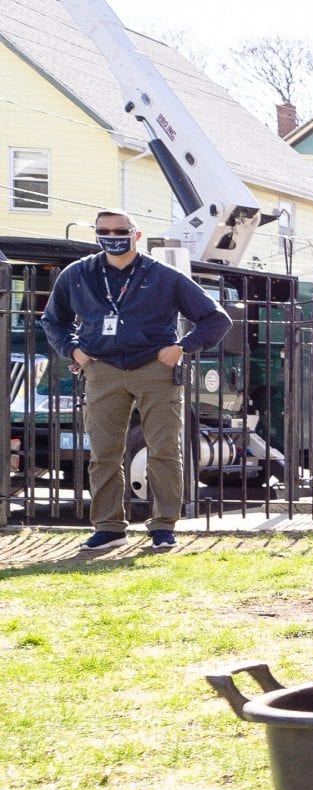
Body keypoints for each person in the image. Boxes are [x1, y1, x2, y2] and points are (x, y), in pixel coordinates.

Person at [41, 210, 230, 551]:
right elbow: (53, 320)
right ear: (96, 234)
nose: (112, 236)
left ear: (136, 234)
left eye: (120, 230)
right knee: (103, 453)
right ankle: (109, 527)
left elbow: (216, 319)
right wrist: (72, 351)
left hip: (154, 370)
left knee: (164, 449)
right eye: (104, 231)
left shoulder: (163, 276)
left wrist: (183, 348)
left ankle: (163, 526)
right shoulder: (77, 274)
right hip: (102, 370)